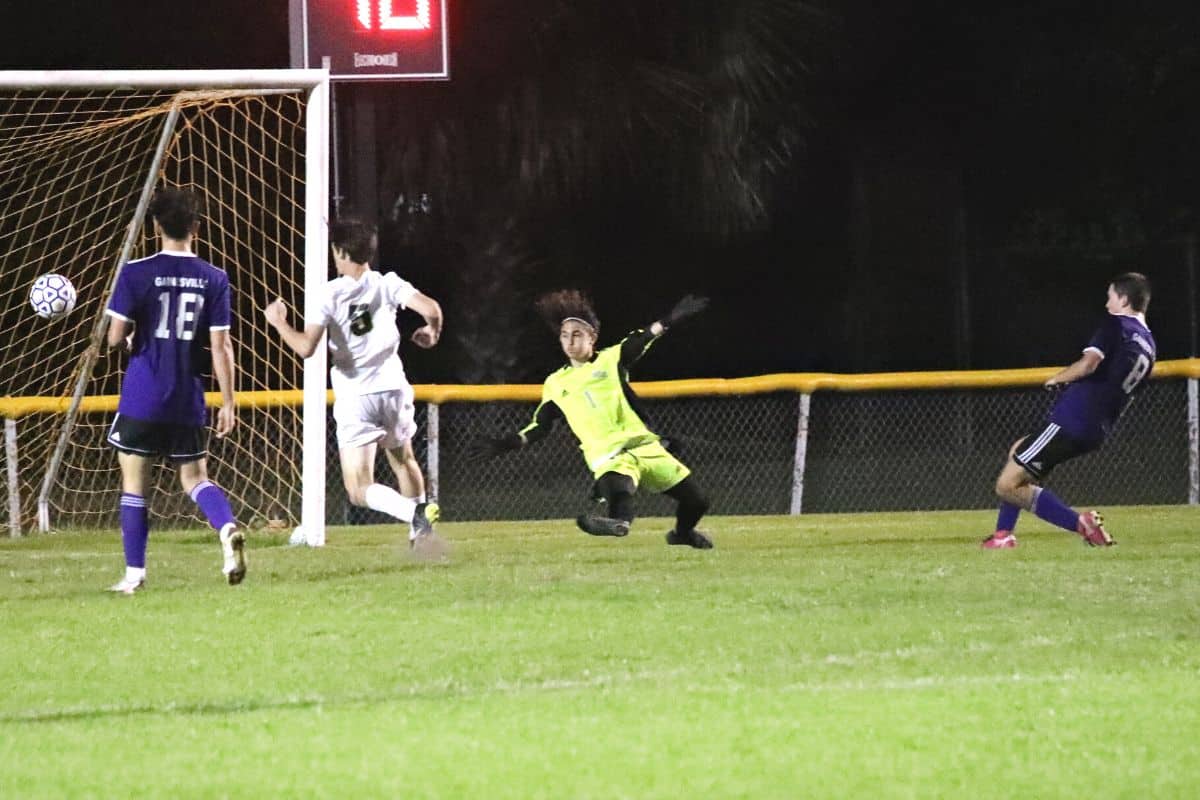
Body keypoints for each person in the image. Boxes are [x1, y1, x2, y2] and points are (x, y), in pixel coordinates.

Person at [468, 289, 714, 548]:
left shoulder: (610, 360)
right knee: (620, 489)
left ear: (592, 337)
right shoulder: (555, 383)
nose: (569, 341)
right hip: (608, 454)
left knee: (697, 502)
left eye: (577, 335)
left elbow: (641, 339)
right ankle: (619, 523)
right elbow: (540, 425)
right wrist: (506, 443)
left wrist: (670, 319)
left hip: (644, 445)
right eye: (564, 336)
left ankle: (682, 534)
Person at [264, 216, 443, 552]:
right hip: (393, 389)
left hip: (357, 395)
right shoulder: (387, 282)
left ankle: (414, 513)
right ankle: (421, 535)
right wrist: (431, 333)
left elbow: (306, 347)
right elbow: (431, 309)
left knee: (359, 489)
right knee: (403, 459)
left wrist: (279, 323)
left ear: (342, 252)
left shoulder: (328, 294)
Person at [104, 187, 245, 594]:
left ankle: (134, 575)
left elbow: (114, 339)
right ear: (196, 228)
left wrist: (129, 332)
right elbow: (222, 347)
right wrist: (229, 402)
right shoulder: (215, 278)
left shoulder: (135, 271)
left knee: (134, 484)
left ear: (155, 227)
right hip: (187, 396)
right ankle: (226, 527)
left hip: (143, 394)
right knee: (196, 478)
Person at [982, 272, 1156, 549]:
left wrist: (1058, 378)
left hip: (1073, 419)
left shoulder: (1116, 326)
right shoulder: (1148, 344)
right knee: (1019, 453)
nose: (1107, 303)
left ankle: (1081, 524)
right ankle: (1003, 535)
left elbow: (1089, 364)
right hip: (1097, 429)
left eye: (1110, 296)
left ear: (1123, 299)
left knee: (1006, 485)